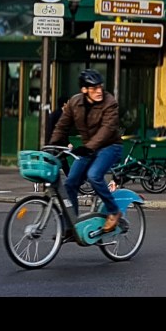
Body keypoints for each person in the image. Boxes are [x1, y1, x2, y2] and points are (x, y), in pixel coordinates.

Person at [47, 69, 124, 232]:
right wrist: (51, 146)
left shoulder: (110, 102)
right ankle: (72, 224)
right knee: (70, 183)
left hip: (110, 146)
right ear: (84, 90)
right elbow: (61, 126)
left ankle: (114, 211)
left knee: (94, 175)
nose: (98, 91)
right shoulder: (74, 103)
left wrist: (88, 147)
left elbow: (107, 130)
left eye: (100, 87)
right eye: (93, 88)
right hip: (89, 147)